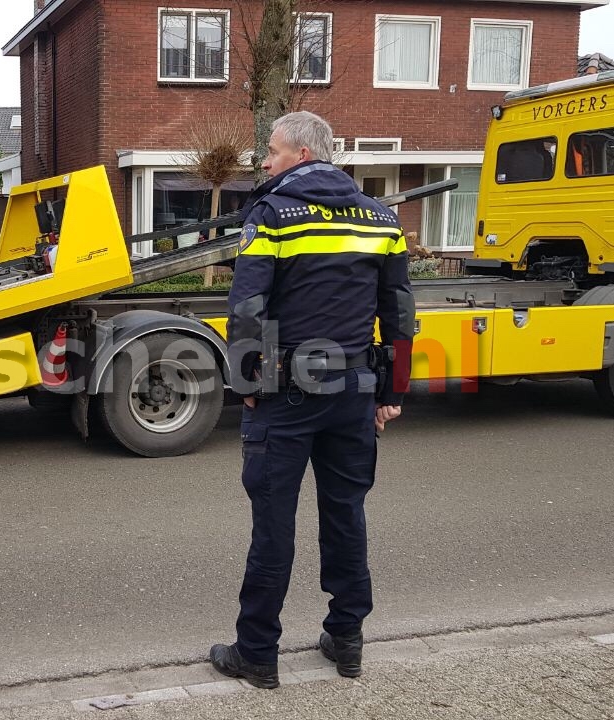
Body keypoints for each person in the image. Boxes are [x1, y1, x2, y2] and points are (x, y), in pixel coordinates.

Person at [209, 111, 414, 689]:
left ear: (300, 153)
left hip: (288, 391)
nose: (264, 162)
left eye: (270, 152)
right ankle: (346, 640)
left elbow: (248, 309)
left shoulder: (273, 215)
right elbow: (398, 312)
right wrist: (392, 389)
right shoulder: (382, 218)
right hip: (354, 390)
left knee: (273, 525)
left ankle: (257, 654)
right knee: (346, 515)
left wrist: (248, 385)